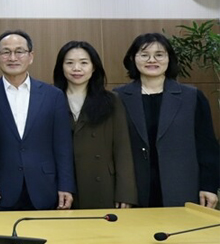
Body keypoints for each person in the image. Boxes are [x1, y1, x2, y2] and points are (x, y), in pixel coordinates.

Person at [115, 32, 219, 208]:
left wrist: (208, 186)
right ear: (133, 59)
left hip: (182, 186)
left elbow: (207, 146)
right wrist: (121, 191)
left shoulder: (191, 96)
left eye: (159, 55)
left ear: (169, 58)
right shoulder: (119, 97)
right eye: (144, 55)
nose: (152, 60)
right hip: (134, 191)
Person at [0, 30, 75, 210]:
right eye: (6, 52)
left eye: (19, 51)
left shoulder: (53, 95)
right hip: (0, 188)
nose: (13, 57)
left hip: (45, 186)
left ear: (31, 56)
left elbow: (62, 145)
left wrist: (66, 185)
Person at [52, 41, 137, 209]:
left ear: (94, 67)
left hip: (101, 183)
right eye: (69, 63)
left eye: (84, 63)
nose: (76, 68)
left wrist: (125, 193)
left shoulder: (111, 100)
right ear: (61, 67)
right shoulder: (51, 99)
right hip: (62, 185)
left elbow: (122, 149)